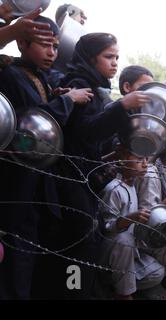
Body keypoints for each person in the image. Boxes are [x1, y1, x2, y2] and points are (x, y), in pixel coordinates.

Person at [53, 32, 152, 299]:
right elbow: (86, 131)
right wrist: (121, 106)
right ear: (89, 57)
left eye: (117, 57)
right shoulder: (78, 84)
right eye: (108, 57)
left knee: (87, 240)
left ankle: (82, 291)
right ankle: (73, 292)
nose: (114, 63)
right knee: (79, 241)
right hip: (71, 176)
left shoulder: (97, 88)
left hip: (86, 175)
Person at [0, 16, 92, 300]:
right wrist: (68, 99)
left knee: (33, 252)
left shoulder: (38, 76)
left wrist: (57, 95)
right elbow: (32, 124)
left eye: (54, 46)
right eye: (44, 45)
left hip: (38, 180)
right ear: (21, 43)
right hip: (17, 179)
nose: (52, 53)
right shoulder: (10, 75)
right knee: (19, 255)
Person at [99, 145, 166, 300]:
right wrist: (130, 219)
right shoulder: (114, 189)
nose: (145, 164)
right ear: (122, 161)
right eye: (140, 159)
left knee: (157, 272)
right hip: (112, 251)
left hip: (129, 253)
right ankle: (124, 294)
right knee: (124, 239)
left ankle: (114, 285)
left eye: (146, 159)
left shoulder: (132, 186)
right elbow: (107, 228)